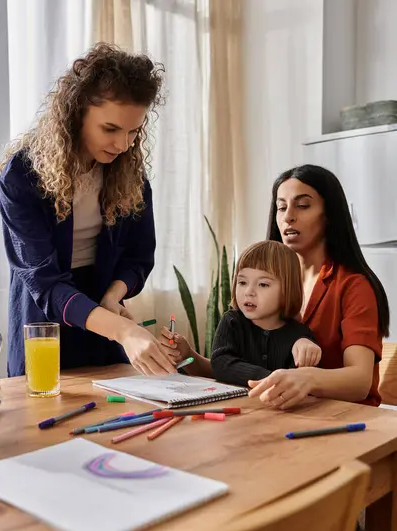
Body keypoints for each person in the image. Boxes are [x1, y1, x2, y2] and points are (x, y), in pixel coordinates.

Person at [0, 43, 175, 377]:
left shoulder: (130, 175)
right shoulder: (21, 176)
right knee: (45, 417)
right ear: (76, 112)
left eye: (133, 132)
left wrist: (113, 296)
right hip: (46, 323)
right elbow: (45, 282)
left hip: (103, 321)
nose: (123, 145)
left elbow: (138, 257)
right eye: (110, 129)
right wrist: (122, 329)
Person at [248, 164, 389, 409]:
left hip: (348, 422)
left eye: (302, 206)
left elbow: (359, 381)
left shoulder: (354, 285)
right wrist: (190, 358)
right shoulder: (268, 283)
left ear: (329, 215)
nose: (288, 216)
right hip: (283, 415)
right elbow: (242, 361)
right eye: (281, 207)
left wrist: (307, 379)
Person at [161, 240, 321, 384]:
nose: (249, 291)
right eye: (242, 282)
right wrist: (269, 378)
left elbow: (297, 381)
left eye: (263, 284)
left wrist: (307, 349)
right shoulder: (232, 321)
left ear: (288, 291)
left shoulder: (300, 335)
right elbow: (221, 363)